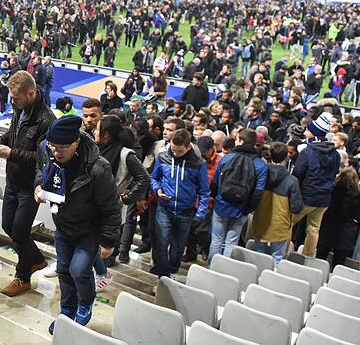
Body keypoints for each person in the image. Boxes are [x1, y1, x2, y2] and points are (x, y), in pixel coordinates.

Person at [34, 116, 122, 334]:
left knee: (79, 270)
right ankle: (67, 311)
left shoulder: (98, 169)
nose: (56, 152)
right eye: (53, 147)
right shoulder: (46, 149)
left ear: (77, 143)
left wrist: (109, 241)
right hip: (63, 224)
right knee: (64, 271)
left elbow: (111, 207)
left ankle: (84, 304)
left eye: (63, 147)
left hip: (89, 229)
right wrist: (38, 186)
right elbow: (41, 170)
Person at [0, 71, 55, 296]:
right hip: (13, 179)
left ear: (31, 93)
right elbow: (15, 132)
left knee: (19, 231)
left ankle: (23, 277)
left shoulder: (47, 121)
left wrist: (11, 153)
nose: (12, 102)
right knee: (8, 225)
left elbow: (42, 159)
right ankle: (37, 259)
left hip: (31, 185)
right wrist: (3, 139)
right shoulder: (21, 109)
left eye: (16, 98)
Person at [149, 128, 210, 277]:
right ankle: (163, 277)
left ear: (188, 147)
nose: (175, 153)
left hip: (186, 211)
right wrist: (157, 190)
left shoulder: (198, 163)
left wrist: (200, 214)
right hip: (164, 208)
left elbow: (204, 191)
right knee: (161, 244)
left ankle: (172, 271)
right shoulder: (163, 157)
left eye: (180, 151)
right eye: (173, 149)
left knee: (178, 247)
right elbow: (154, 178)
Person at [95, 115, 150, 271]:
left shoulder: (126, 154)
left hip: (112, 210)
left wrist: (127, 198)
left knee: (105, 252)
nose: (94, 132)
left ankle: (102, 274)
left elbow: (144, 179)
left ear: (106, 134)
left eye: (97, 129)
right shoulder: (96, 148)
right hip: (92, 206)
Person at [207, 128, 268, 265]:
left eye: (237, 139)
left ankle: (212, 268)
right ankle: (224, 270)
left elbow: (215, 182)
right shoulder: (260, 165)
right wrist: (247, 209)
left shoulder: (227, 158)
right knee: (231, 242)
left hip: (221, 204)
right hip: (241, 209)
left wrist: (216, 198)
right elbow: (258, 192)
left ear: (241, 141)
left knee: (216, 240)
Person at [291, 112, 341, 256]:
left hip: (306, 197)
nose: (305, 132)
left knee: (287, 224)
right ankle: (308, 257)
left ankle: (281, 252)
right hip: (324, 199)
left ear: (313, 133)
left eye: (307, 130)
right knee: (313, 230)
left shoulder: (307, 152)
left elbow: (297, 175)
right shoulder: (335, 154)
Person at [251, 142, 303, 268]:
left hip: (260, 220)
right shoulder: (292, 180)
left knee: (258, 255)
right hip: (280, 224)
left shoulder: (261, 174)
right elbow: (296, 208)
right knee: (277, 258)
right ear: (286, 157)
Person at [316, 167, 360, 269]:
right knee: (338, 265)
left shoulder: (331, 191)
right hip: (346, 232)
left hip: (327, 228)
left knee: (320, 260)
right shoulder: (358, 195)